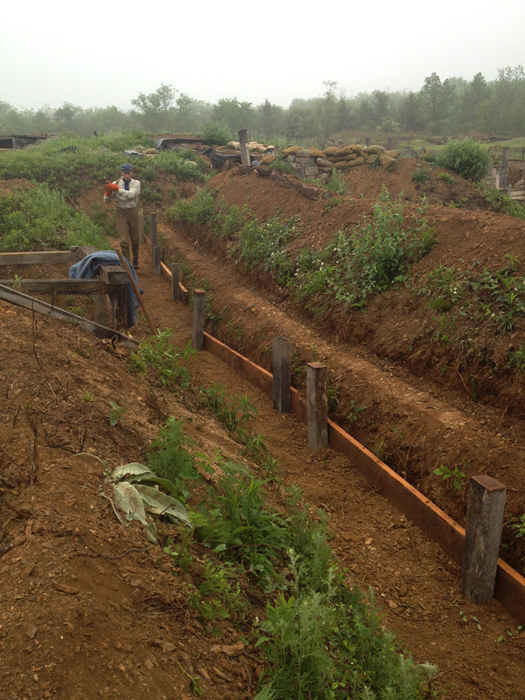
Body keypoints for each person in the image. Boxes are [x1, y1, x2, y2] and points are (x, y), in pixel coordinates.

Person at [103, 164, 141, 269]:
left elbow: (130, 195)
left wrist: (117, 189)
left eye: (129, 173)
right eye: (125, 173)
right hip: (120, 212)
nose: (127, 175)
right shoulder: (116, 183)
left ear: (131, 173)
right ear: (121, 173)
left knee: (135, 238)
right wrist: (108, 192)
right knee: (124, 239)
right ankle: (127, 264)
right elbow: (106, 200)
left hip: (132, 211)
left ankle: (135, 261)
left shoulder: (136, 183)